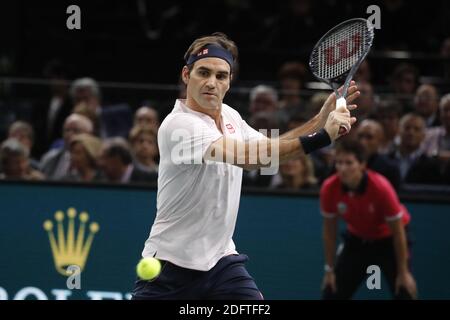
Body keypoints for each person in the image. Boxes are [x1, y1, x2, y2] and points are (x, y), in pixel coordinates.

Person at [131, 32, 359, 300]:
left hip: (221, 262)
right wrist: (323, 137)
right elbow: (252, 159)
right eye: (203, 73)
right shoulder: (179, 126)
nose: (211, 83)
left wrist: (319, 120)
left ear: (229, 82)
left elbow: (269, 149)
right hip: (170, 268)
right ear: (186, 75)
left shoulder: (231, 116)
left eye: (220, 76)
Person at [320, 139, 417, 300]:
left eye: (349, 163)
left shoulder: (381, 187)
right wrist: (329, 271)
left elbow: (399, 233)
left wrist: (403, 272)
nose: (343, 168)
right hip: (358, 241)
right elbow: (329, 232)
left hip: (389, 241)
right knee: (331, 291)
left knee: (404, 291)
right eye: (339, 163)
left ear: (362, 165)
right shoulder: (329, 188)